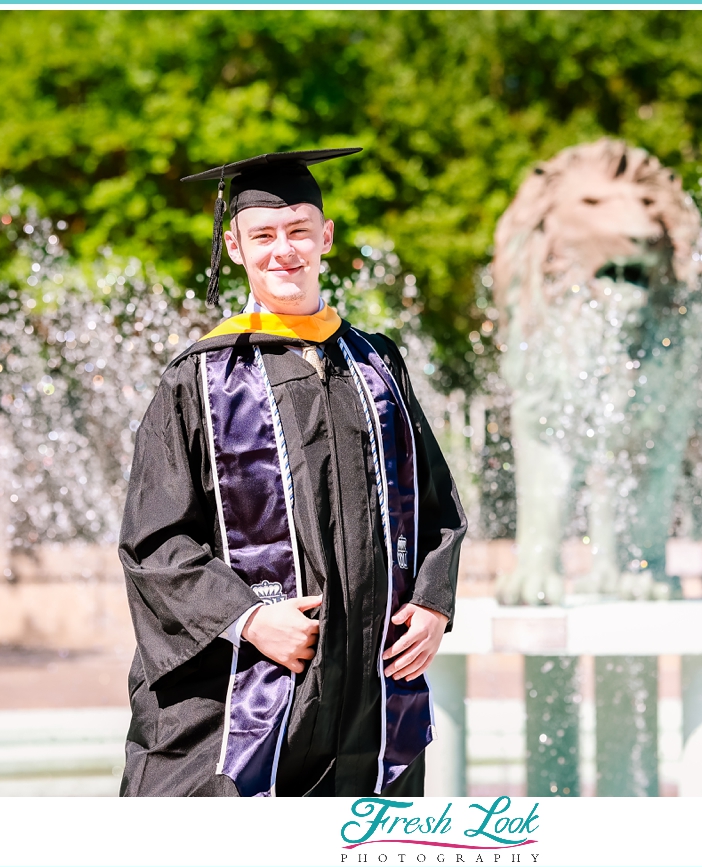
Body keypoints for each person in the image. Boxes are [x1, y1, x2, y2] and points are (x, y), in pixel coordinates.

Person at [117, 148, 466, 797]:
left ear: (325, 237)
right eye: (264, 235)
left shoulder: (376, 365)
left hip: (367, 694)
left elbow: (436, 503)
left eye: (300, 230)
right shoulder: (201, 376)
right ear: (236, 245)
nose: (284, 250)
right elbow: (154, 542)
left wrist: (433, 601)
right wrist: (249, 618)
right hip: (243, 697)